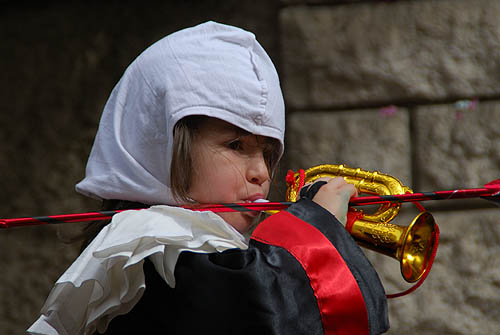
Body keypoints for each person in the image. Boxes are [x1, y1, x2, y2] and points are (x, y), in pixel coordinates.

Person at [28, 21, 389, 335]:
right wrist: (318, 229)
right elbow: (261, 316)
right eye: (236, 145)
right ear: (163, 145)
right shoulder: (151, 249)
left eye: (267, 153)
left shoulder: (211, 253)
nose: (261, 173)